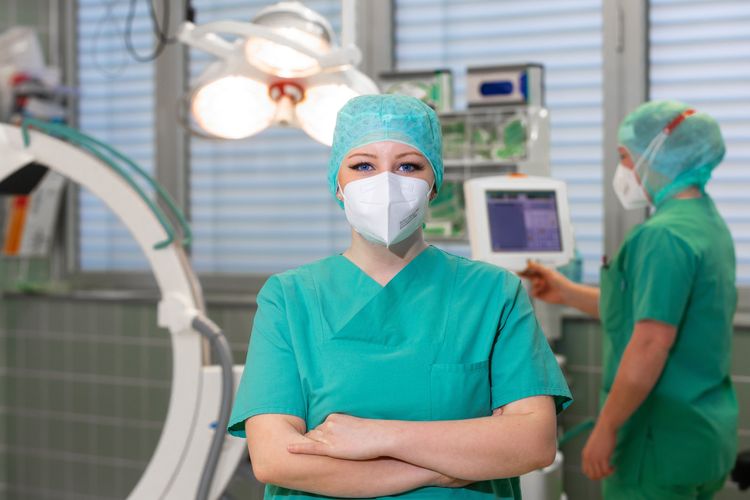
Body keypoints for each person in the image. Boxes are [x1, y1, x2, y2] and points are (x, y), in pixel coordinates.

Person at [227, 94, 572, 499]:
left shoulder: (493, 293)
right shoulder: (290, 298)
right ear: (337, 184)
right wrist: (442, 468)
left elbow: (533, 443)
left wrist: (377, 436)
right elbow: (275, 459)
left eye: (408, 166)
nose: (386, 182)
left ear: (434, 183)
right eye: (363, 166)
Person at [521, 100, 738, 499]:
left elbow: (650, 342)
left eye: (624, 156)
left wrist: (607, 428)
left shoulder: (662, 236)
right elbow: (647, 309)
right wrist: (565, 291)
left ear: (656, 156)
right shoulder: (706, 222)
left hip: (655, 443)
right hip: (701, 434)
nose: (622, 170)